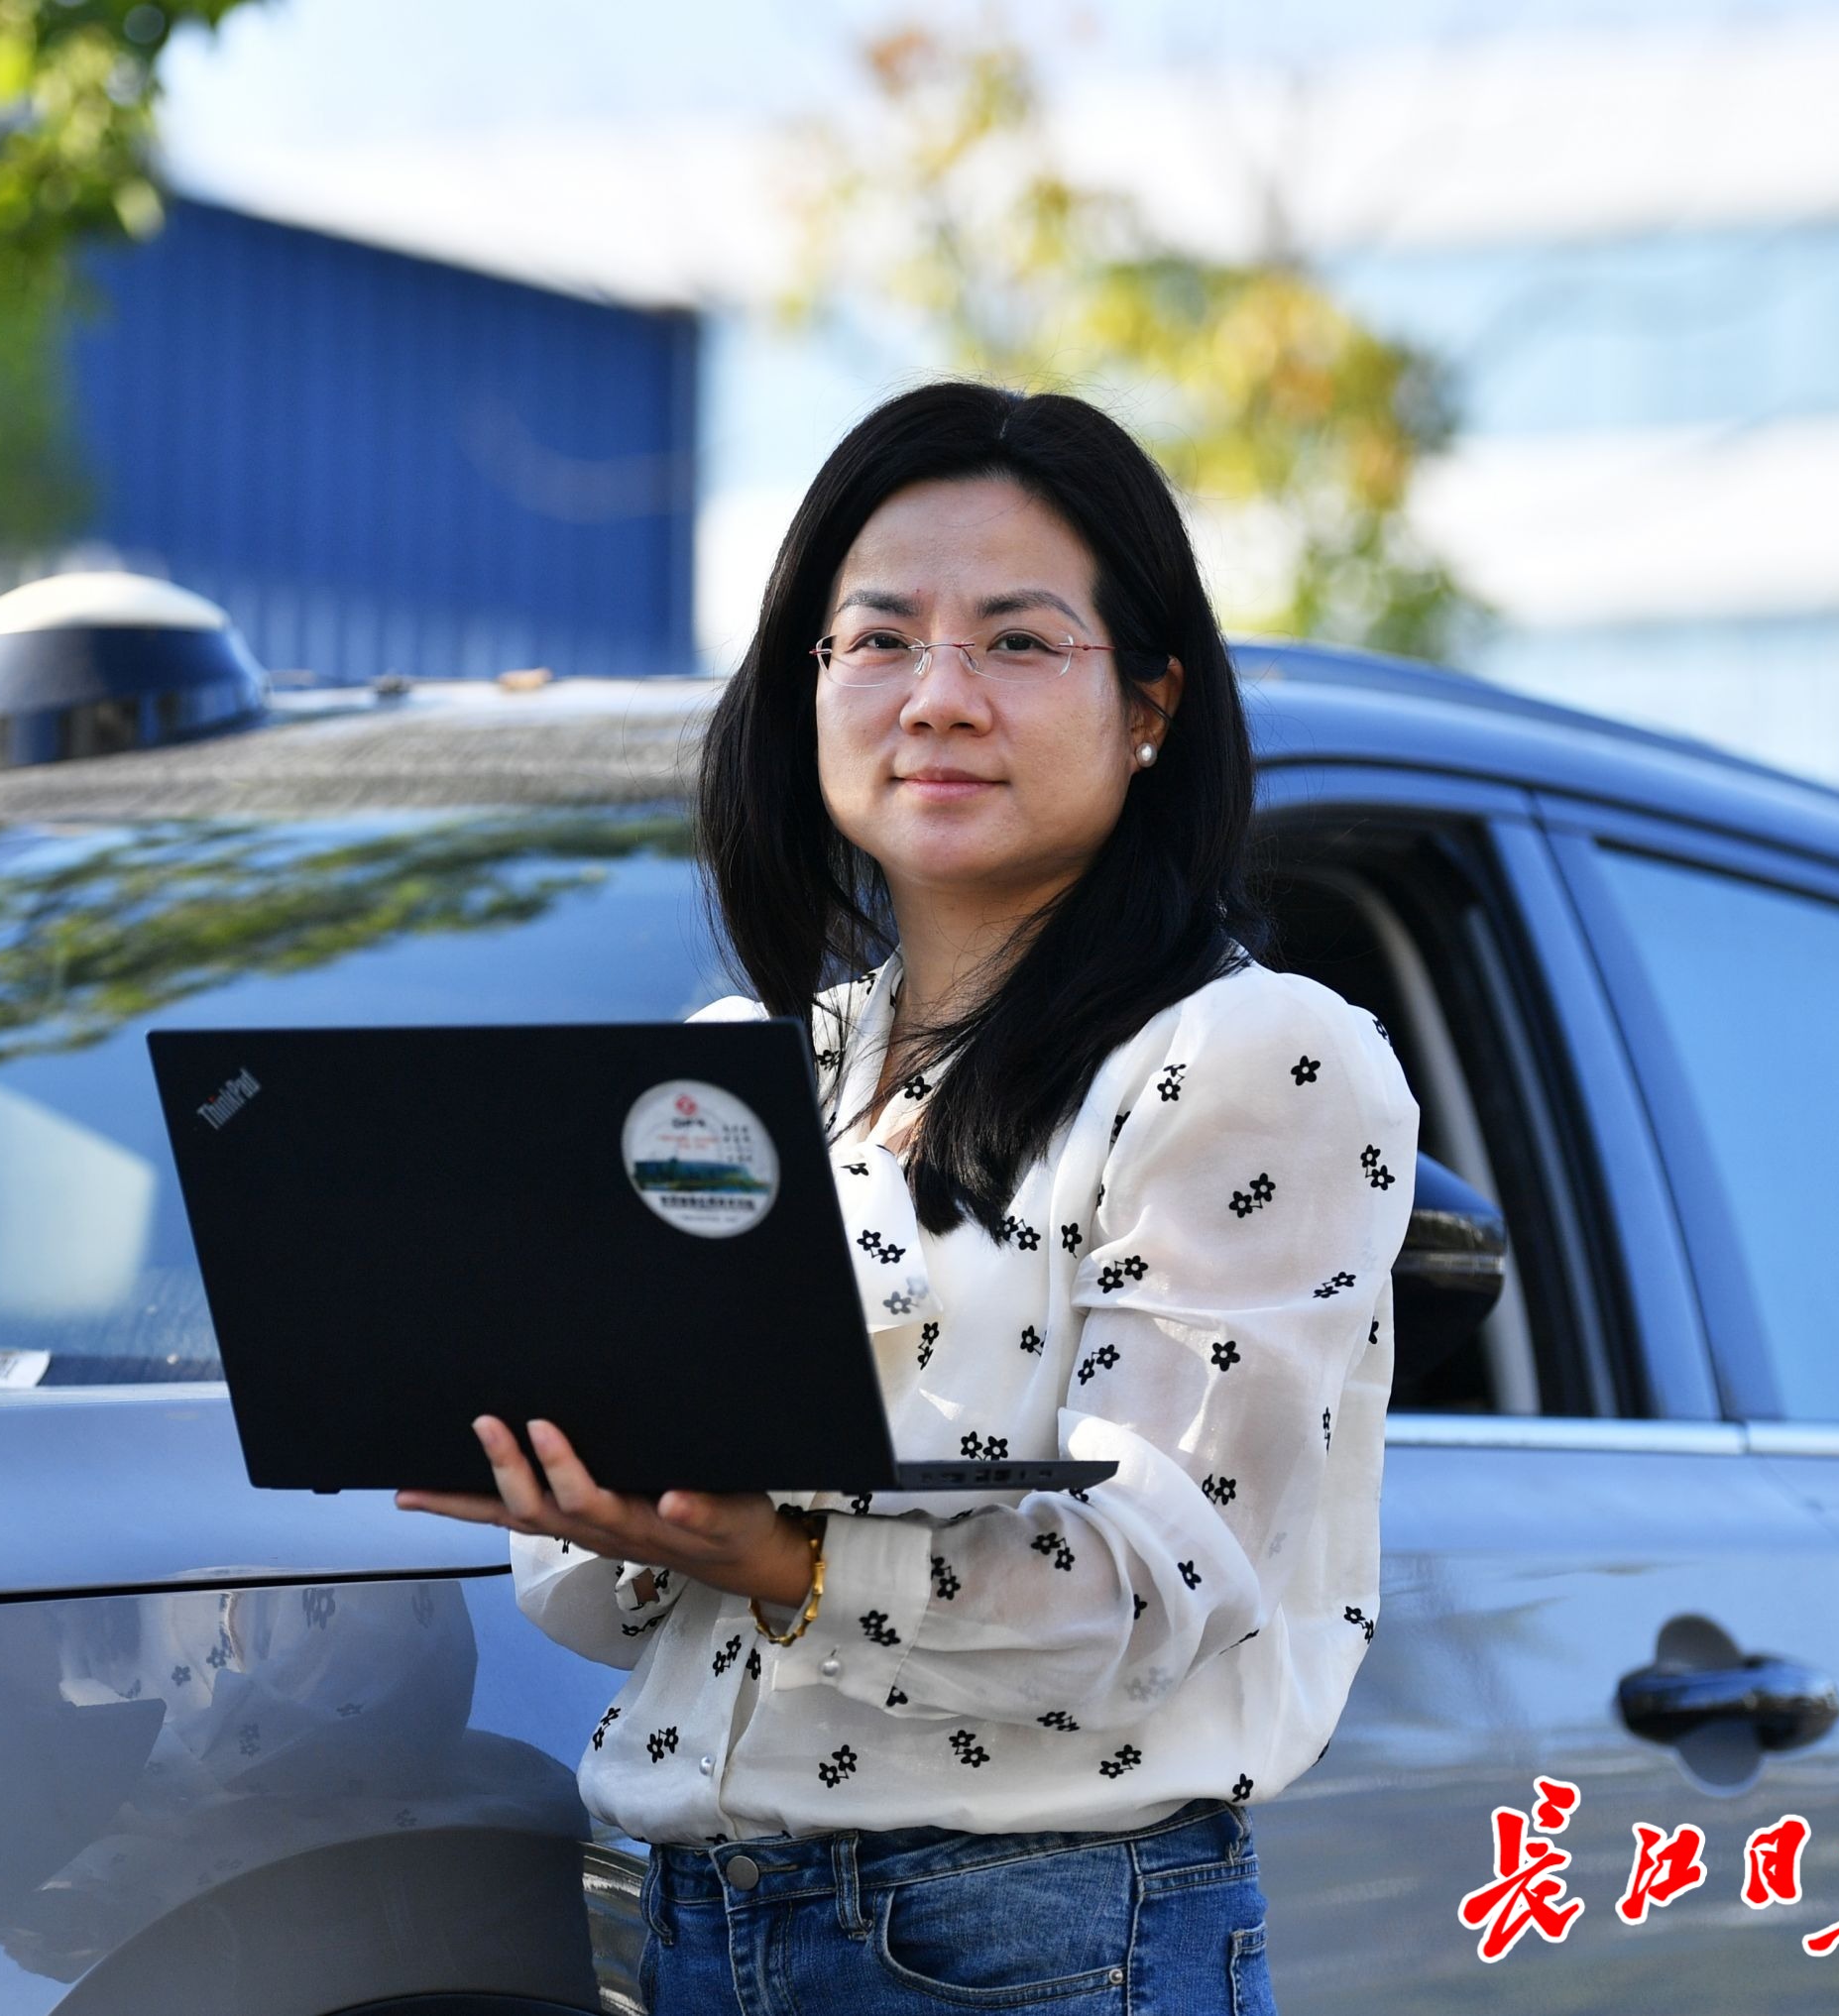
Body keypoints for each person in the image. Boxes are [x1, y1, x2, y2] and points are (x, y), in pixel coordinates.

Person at [398, 380, 1418, 2014]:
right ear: (806, 687)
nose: (936, 696)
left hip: (1030, 1939)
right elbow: (608, 1611)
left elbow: (1155, 1582)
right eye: (878, 639)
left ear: (1151, 702)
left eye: (1017, 642)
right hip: (687, 1926)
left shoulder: (1252, 1053)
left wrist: (791, 1554)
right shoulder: (749, 1074)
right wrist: (615, 1511)